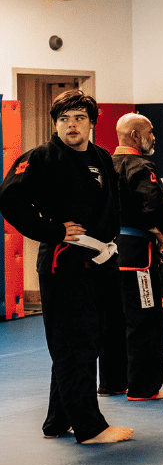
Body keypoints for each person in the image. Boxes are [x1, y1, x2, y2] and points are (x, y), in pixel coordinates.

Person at [0, 89, 132, 444]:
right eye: (64, 119)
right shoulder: (42, 158)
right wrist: (53, 230)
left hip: (101, 261)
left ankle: (58, 420)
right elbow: (9, 199)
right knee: (74, 345)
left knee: (86, 341)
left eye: (79, 118)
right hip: (66, 263)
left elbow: (111, 204)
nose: (71, 125)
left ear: (91, 123)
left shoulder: (101, 156)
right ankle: (90, 427)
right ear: (55, 124)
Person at [111, 113, 163, 401]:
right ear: (135, 135)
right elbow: (156, 203)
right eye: (150, 132)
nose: (153, 137)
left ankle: (112, 382)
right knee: (145, 319)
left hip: (106, 253)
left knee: (113, 319)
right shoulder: (139, 166)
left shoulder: (104, 164)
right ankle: (143, 387)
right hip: (137, 253)